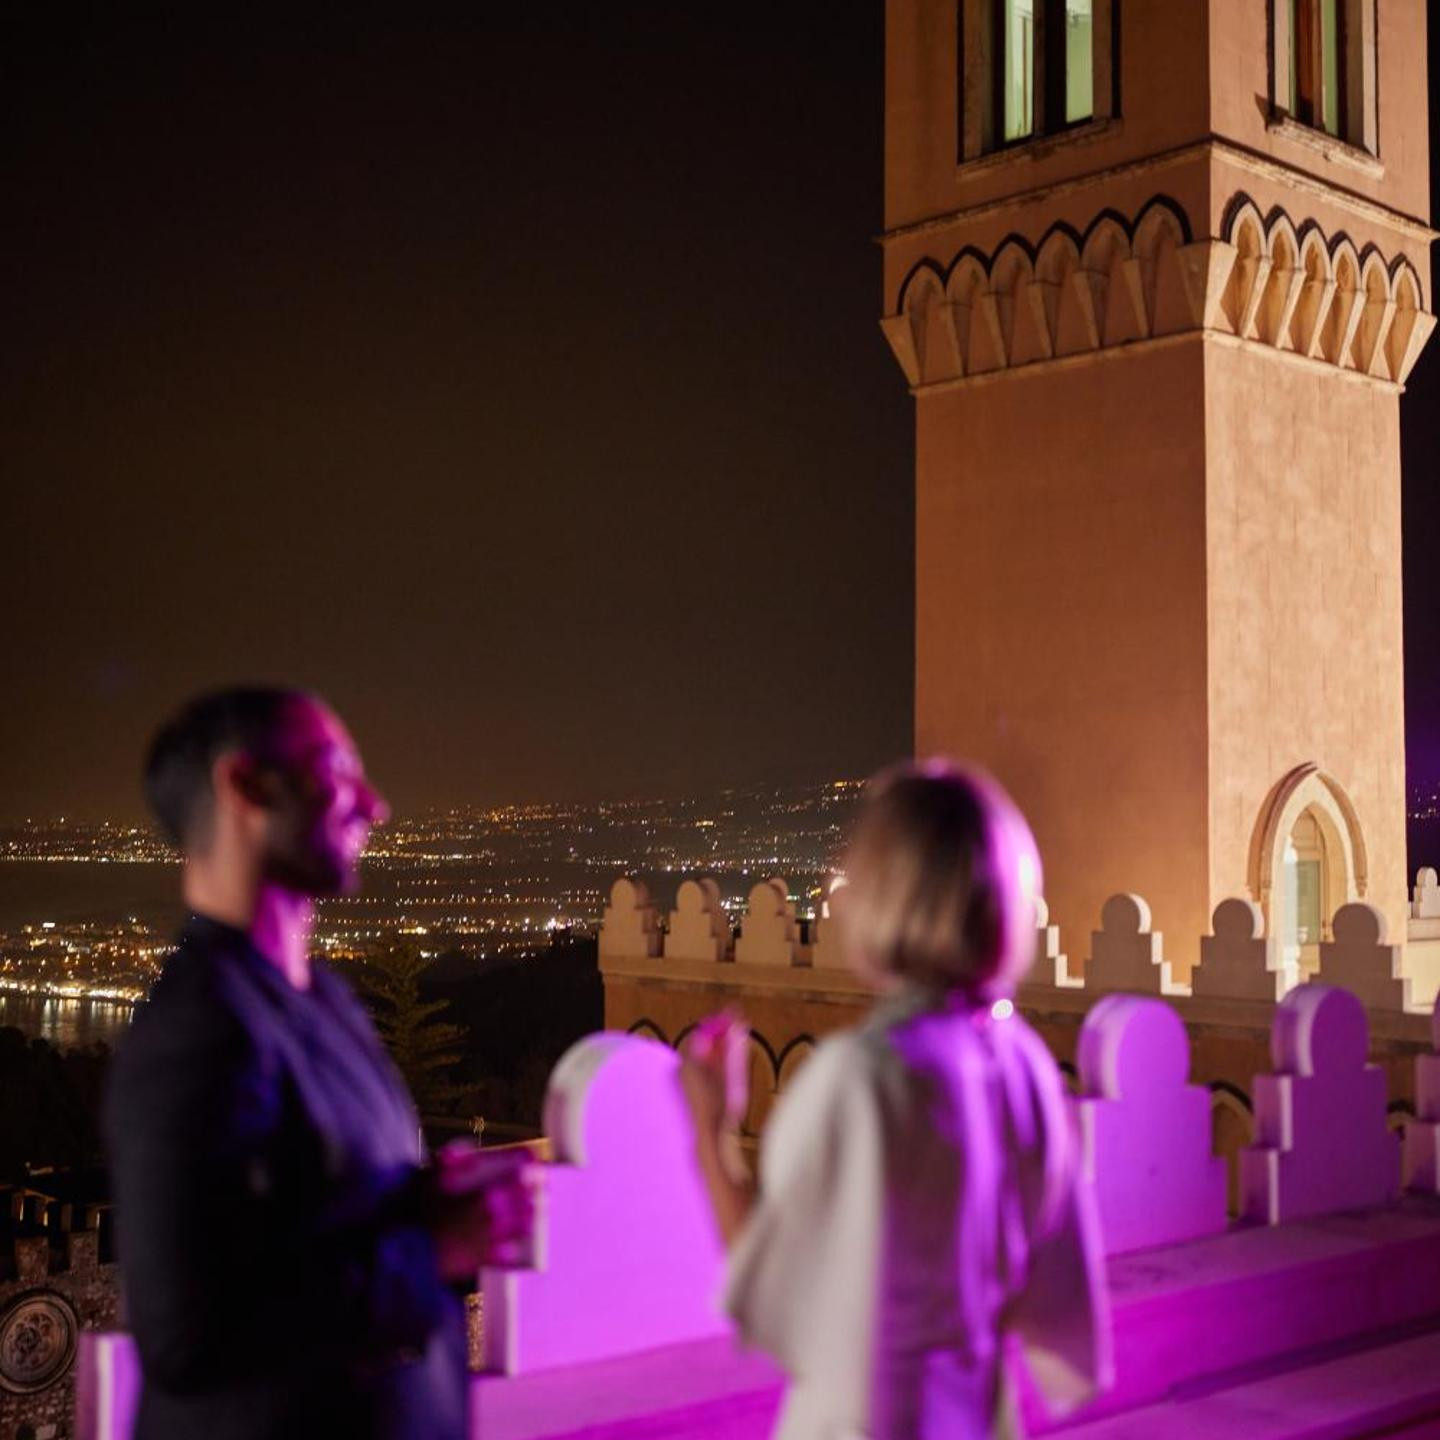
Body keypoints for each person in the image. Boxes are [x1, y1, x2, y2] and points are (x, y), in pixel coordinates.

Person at [104, 687, 534, 1440]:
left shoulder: (322, 1001)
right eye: (336, 771)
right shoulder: (197, 1030)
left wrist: (422, 1201)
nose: (375, 805)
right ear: (245, 787)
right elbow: (190, 1336)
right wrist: (433, 1248)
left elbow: (305, 1233)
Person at [679, 760, 1112, 1440]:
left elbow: (777, 1276)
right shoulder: (1022, 1064)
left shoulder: (865, 1076)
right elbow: (1056, 1295)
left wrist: (711, 1129)